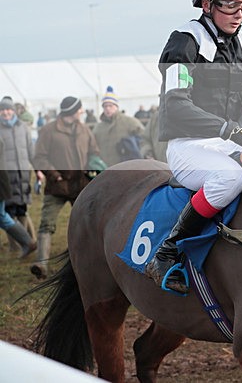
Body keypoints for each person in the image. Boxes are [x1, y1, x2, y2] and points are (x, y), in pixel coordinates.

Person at [145, 0, 242, 294]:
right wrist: (230, 130)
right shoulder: (184, 41)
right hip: (189, 146)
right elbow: (176, 107)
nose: (240, 13)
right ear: (207, 5)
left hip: (230, 143)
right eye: (232, 5)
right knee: (230, 177)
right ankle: (168, 249)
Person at [32, 96, 102, 278]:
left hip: (80, 186)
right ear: (72, 111)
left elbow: (94, 152)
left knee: (87, 224)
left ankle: (89, 262)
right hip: (57, 186)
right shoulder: (48, 131)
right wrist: (55, 175)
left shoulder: (84, 130)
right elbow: (39, 157)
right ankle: (41, 264)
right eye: (79, 109)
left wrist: (94, 168)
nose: (81, 111)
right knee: (46, 224)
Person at [0, 96, 37, 252]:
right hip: (6, 175)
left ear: (13, 111)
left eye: (8, 109)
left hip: (23, 174)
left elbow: (31, 151)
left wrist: (37, 170)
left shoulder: (23, 128)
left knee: (22, 209)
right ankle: (15, 246)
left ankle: (31, 241)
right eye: (2, 110)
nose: (6, 112)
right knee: (9, 210)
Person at [92, 86, 145, 166]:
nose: (107, 109)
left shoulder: (129, 122)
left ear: (116, 106)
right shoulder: (98, 128)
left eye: (110, 106)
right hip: (105, 168)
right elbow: (93, 147)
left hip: (125, 167)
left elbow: (144, 137)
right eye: (105, 106)